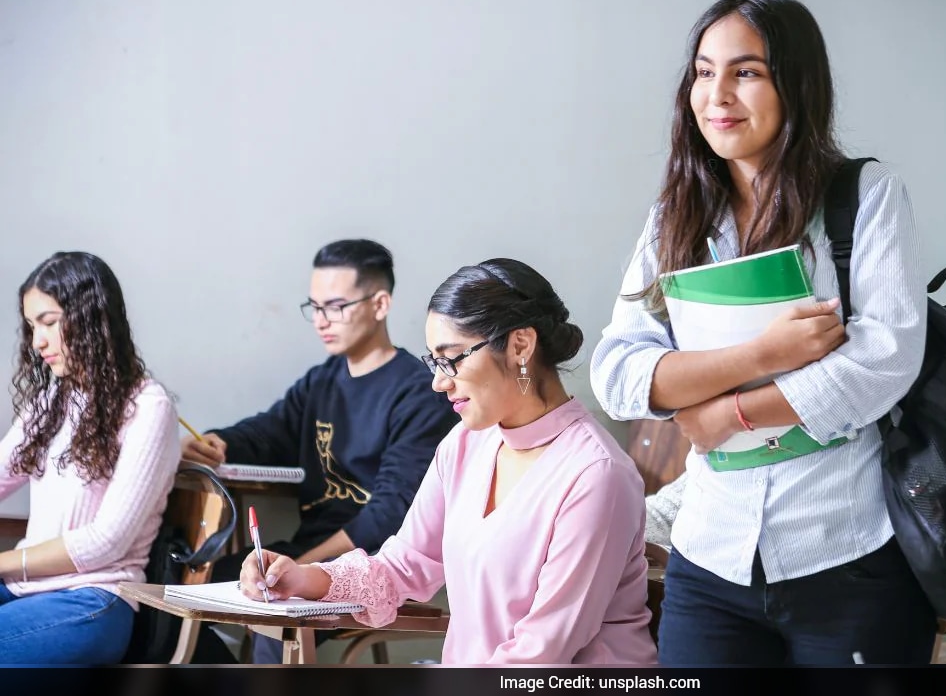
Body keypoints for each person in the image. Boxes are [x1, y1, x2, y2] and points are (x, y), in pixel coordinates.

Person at [589, 0, 936, 665]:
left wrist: (726, 416)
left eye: (746, 72)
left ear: (796, 85)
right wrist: (763, 355)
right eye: (703, 70)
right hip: (711, 556)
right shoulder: (674, 217)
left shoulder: (866, 196)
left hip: (846, 550)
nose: (718, 93)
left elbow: (882, 364)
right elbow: (618, 372)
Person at [237, 258, 657, 665]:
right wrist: (303, 577)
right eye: (434, 361)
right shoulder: (464, 444)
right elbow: (402, 565)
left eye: (452, 358)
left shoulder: (596, 476)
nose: (439, 382)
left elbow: (541, 652)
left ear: (520, 345)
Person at [180, 239, 457, 663]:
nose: (321, 321)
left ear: (380, 303)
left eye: (336, 307)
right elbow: (271, 431)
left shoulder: (418, 392)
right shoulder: (322, 381)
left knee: (276, 625)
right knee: (188, 590)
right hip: (306, 550)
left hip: (375, 564)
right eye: (315, 307)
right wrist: (216, 442)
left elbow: (389, 515)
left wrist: (303, 570)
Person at [0, 252, 180, 664]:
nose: (37, 341)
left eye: (48, 322)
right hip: (25, 587)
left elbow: (104, 542)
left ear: (90, 317)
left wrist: (3, 562)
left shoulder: (148, 407)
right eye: (31, 327)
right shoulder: (51, 400)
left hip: (90, 601)